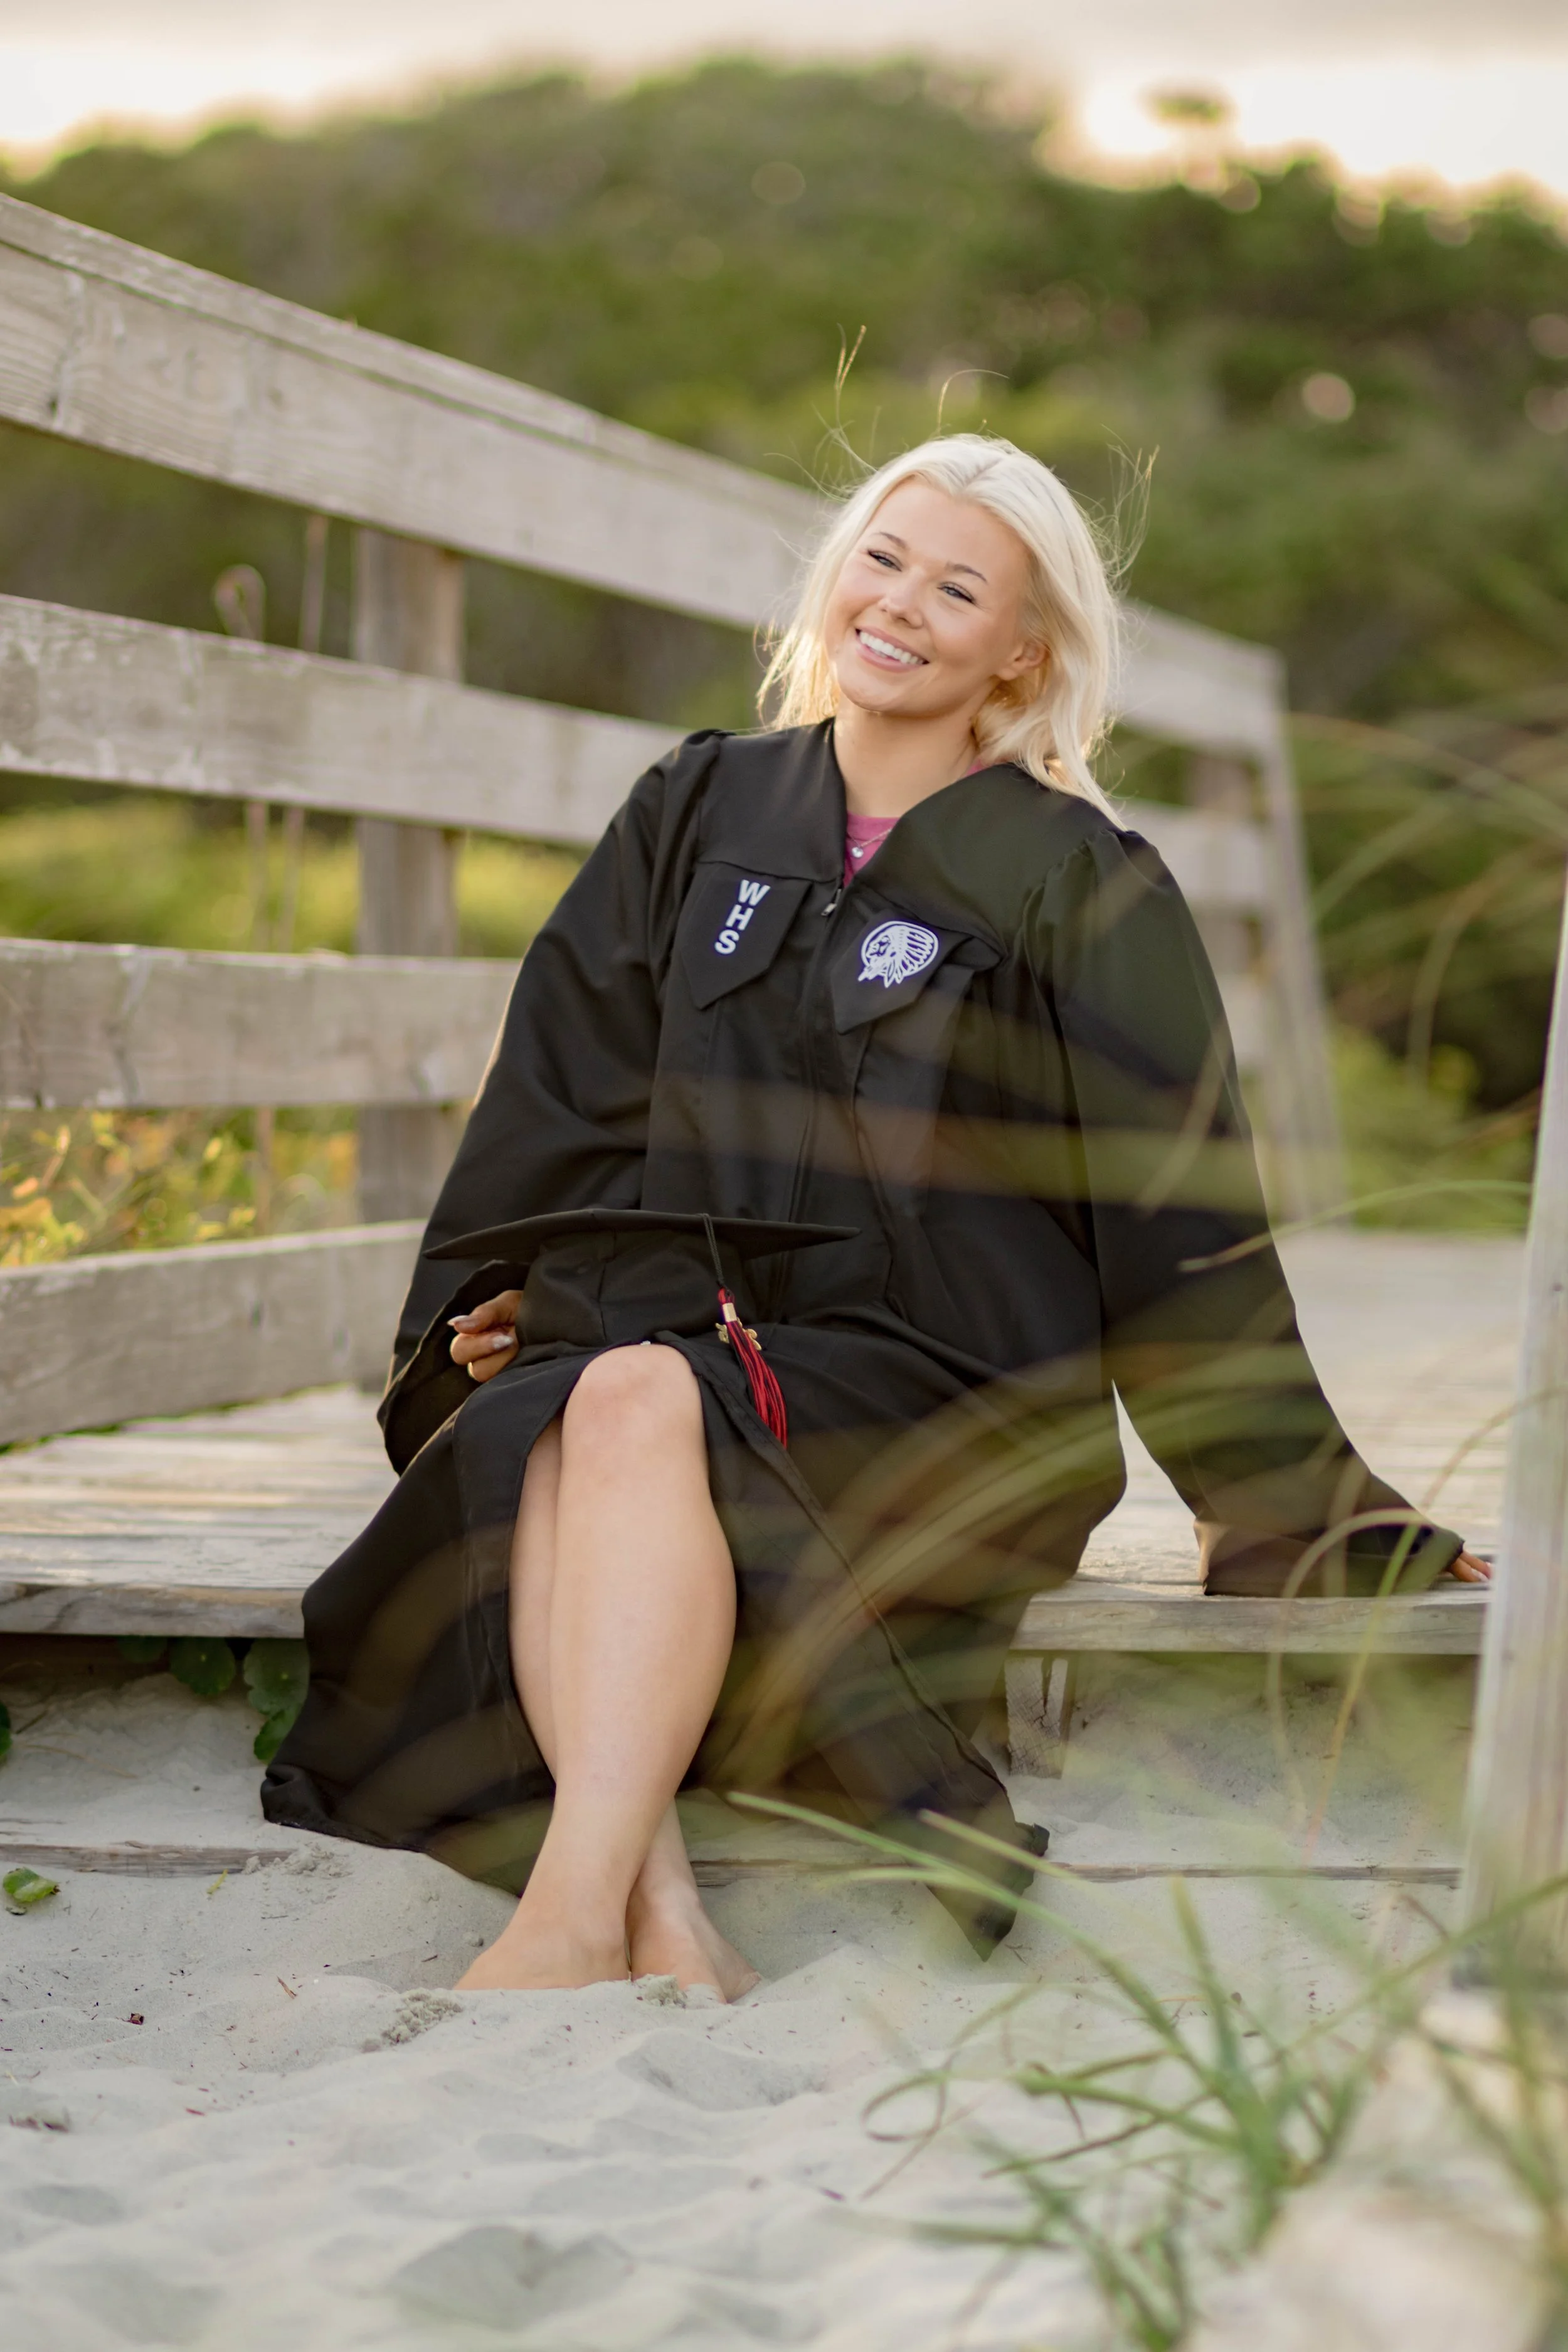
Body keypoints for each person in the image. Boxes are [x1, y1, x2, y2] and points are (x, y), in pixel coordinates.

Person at [262, 433, 1488, 1998]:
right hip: (681, 1346)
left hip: (954, 1395)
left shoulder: (1075, 879)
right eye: (881, 558)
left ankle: (583, 1915)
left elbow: (1172, 1210)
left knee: (618, 1412)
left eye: (957, 589)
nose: (898, 604)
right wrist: (515, 1291)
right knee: (594, 1397)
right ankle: (645, 1918)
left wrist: (1299, 1500)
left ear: (1022, 651)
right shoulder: (698, 807)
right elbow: (563, 1097)